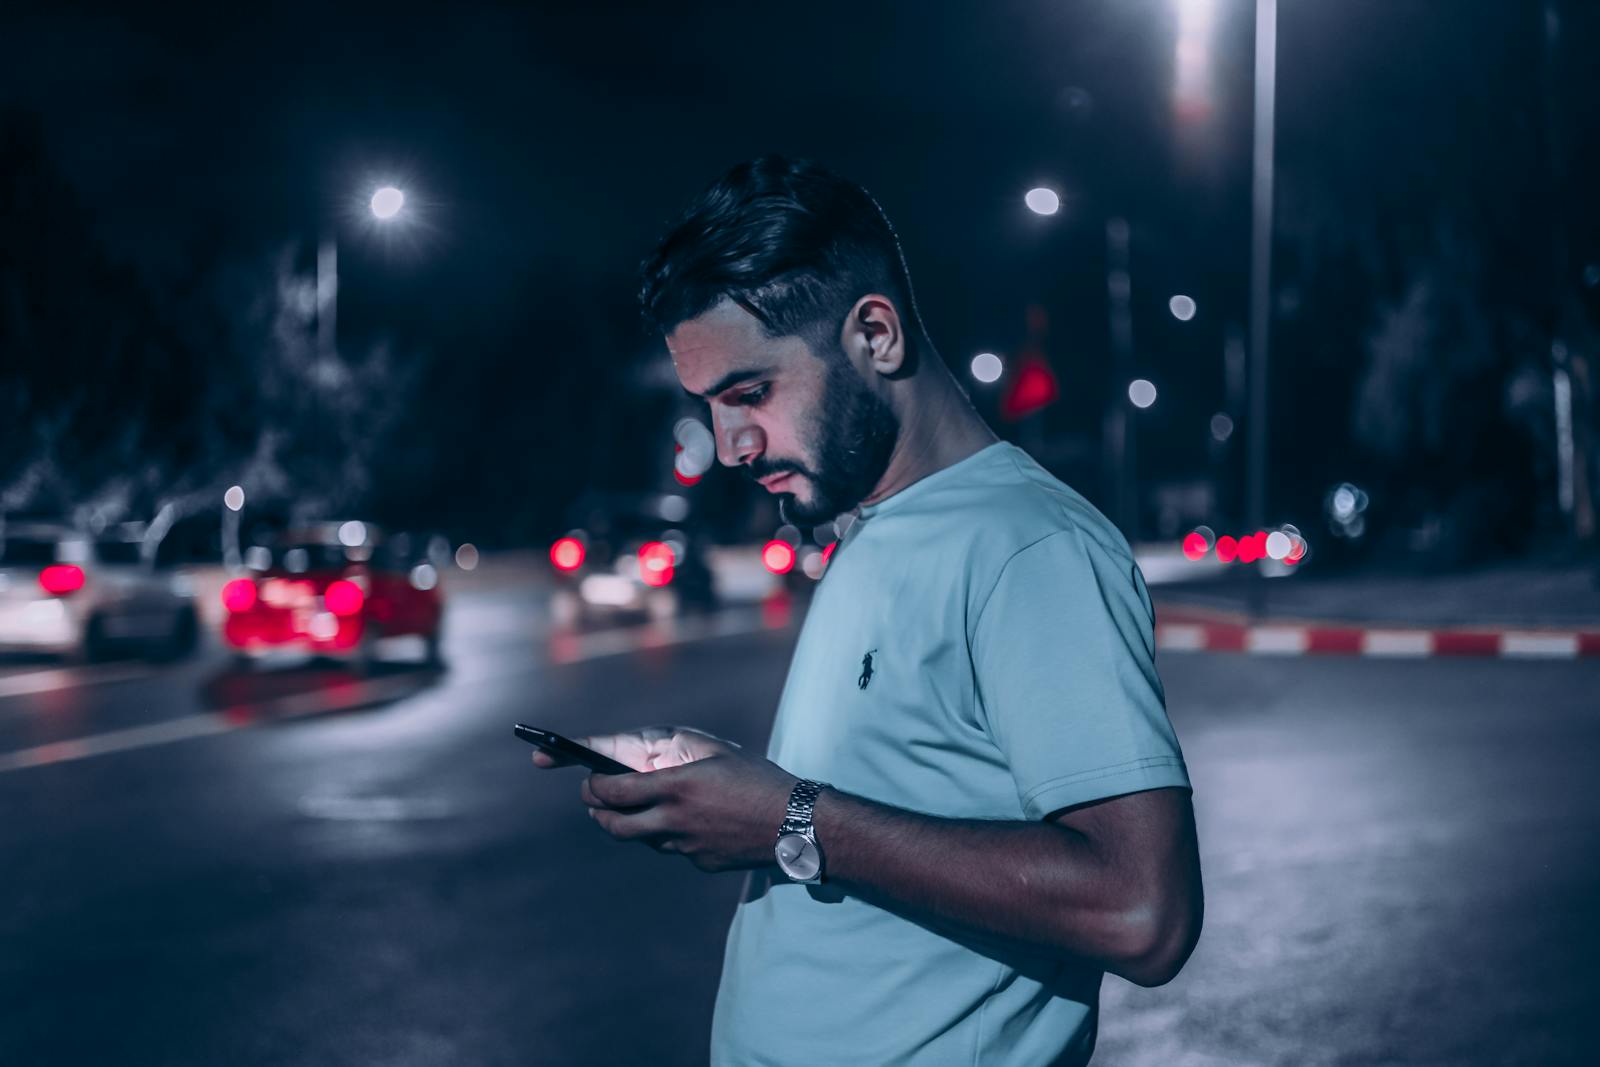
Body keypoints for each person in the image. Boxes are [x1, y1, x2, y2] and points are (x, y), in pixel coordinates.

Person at [532, 156, 1202, 1066]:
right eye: (709, 406)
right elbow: (881, 796)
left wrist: (786, 819)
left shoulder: (1029, 545)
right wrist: (730, 785)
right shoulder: (867, 524)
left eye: (751, 393)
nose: (729, 445)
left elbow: (1143, 910)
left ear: (876, 335)